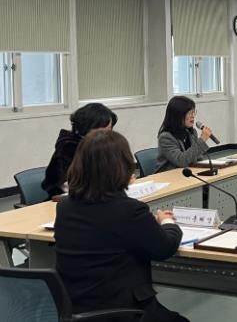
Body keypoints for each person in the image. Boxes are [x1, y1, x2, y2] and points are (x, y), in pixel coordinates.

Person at [55, 130, 188, 322]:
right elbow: (165, 248)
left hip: (75, 310)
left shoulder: (64, 207)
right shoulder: (129, 210)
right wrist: (168, 222)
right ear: (122, 166)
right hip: (123, 311)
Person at [42, 103, 117, 199]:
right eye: (104, 130)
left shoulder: (99, 145)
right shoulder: (68, 147)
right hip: (67, 200)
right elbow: (70, 185)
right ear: (88, 127)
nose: (108, 134)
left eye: (109, 129)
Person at [155, 96, 215, 173]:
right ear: (178, 115)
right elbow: (181, 161)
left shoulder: (191, 132)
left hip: (187, 173)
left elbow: (197, 158)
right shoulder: (165, 137)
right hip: (169, 175)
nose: (193, 116)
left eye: (193, 112)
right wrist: (202, 140)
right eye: (189, 113)